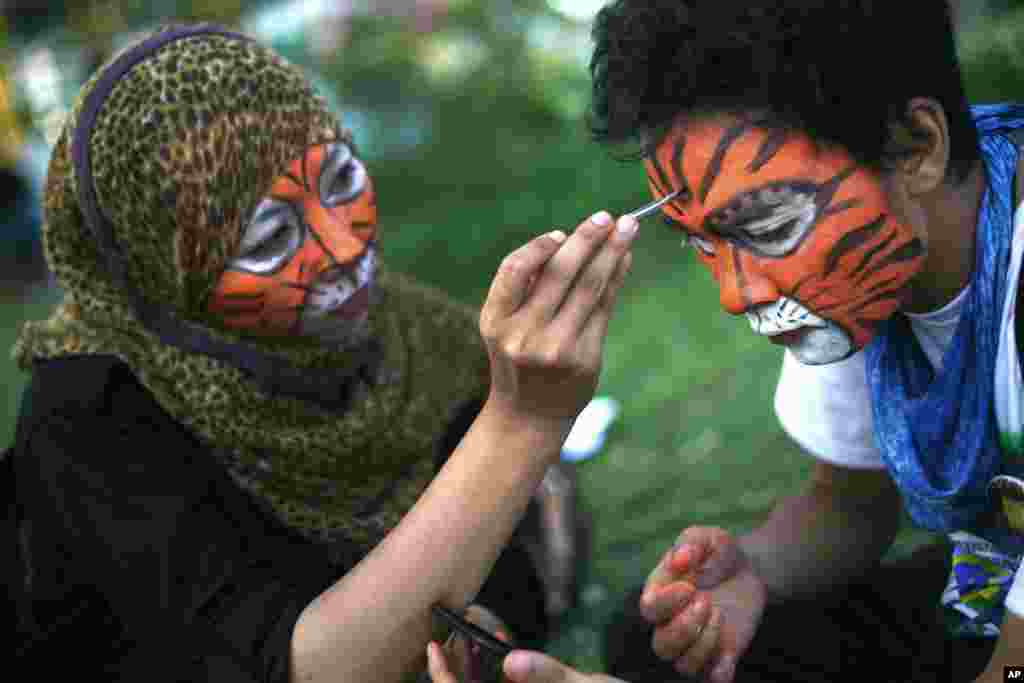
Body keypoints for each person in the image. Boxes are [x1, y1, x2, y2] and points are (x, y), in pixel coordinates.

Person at [2, 23, 638, 682]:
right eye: (271, 236)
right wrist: (521, 420)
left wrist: (483, 628)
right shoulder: (96, 413)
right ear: (172, 278)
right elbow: (301, 668)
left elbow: (517, 539)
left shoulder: (409, 337)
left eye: (339, 178)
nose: (343, 249)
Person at [430, 2, 1024, 682]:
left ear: (917, 146)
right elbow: (851, 501)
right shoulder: (875, 272)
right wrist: (755, 569)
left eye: (767, 229)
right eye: (705, 244)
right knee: (662, 643)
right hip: (986, 583)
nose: (736, 295)